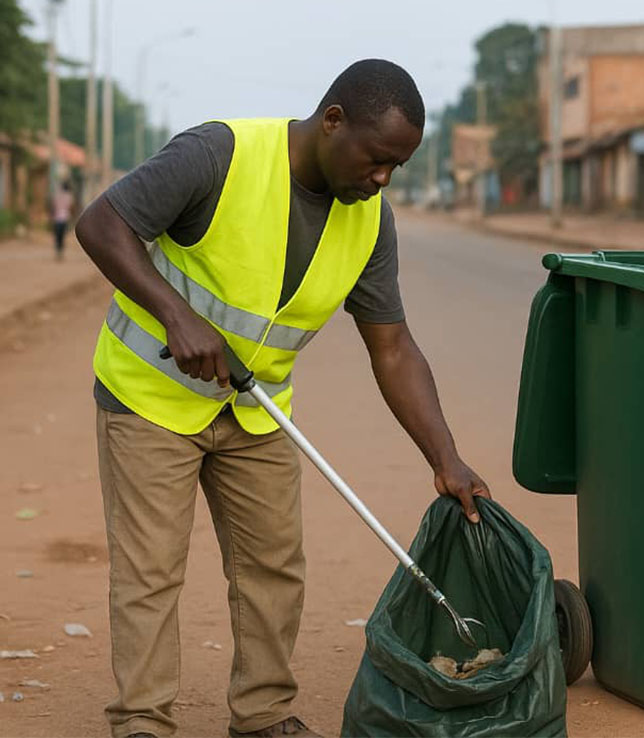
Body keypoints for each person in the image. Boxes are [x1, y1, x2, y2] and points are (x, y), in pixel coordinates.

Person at [76, 59, 490, 738]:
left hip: (253, 410)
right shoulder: (219, 155)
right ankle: (142, 721)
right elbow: (102, 225)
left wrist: (444, 457)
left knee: (274, 568)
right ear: (333, 121)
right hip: (148, 397)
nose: (383, 178)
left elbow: (392, 347)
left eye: (397, 167)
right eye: (377, 158)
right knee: (151, 574)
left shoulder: (368, 221)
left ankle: (262, 715)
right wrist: (175, 315)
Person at [51, 179, 75, 260]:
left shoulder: (57, 196)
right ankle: (60, 252)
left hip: (56, 219)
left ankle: (58, 251)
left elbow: (53, 207)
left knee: (57, 236)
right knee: (62, 236)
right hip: (65, 219)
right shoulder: (69, 197)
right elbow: (71, 208)